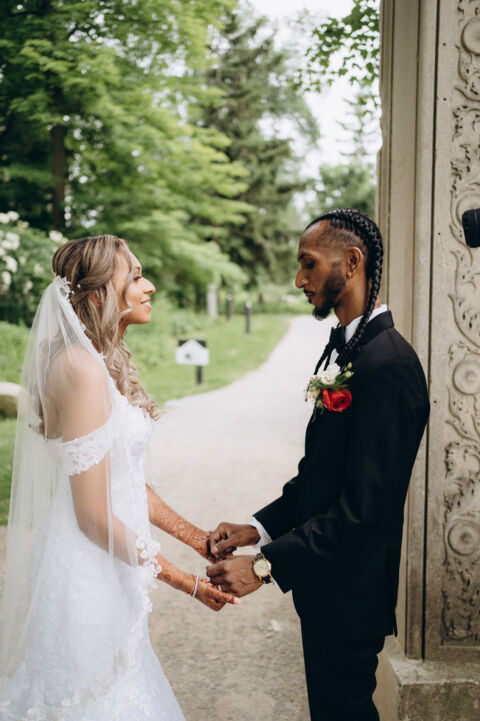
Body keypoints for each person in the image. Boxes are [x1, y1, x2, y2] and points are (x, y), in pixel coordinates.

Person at [0, 234, 238, 721]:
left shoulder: (95, 360)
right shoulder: (80, 369)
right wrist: (188, 583)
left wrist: (197, 539)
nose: (149, 287)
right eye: (136, 277)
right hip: (85, 568)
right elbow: (92, 515)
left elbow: (122, 481)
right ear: (97, 296)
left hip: (107, 562)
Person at [206, 208, 430, 721]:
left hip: (352, 595)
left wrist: (262, 567)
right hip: (325, 589)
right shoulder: (353, 352)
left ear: (351, 262)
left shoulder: (391, 366)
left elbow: (364, 512)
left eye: (309, 263)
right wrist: (257, 528)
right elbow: (320, 476)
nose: (299, 279)